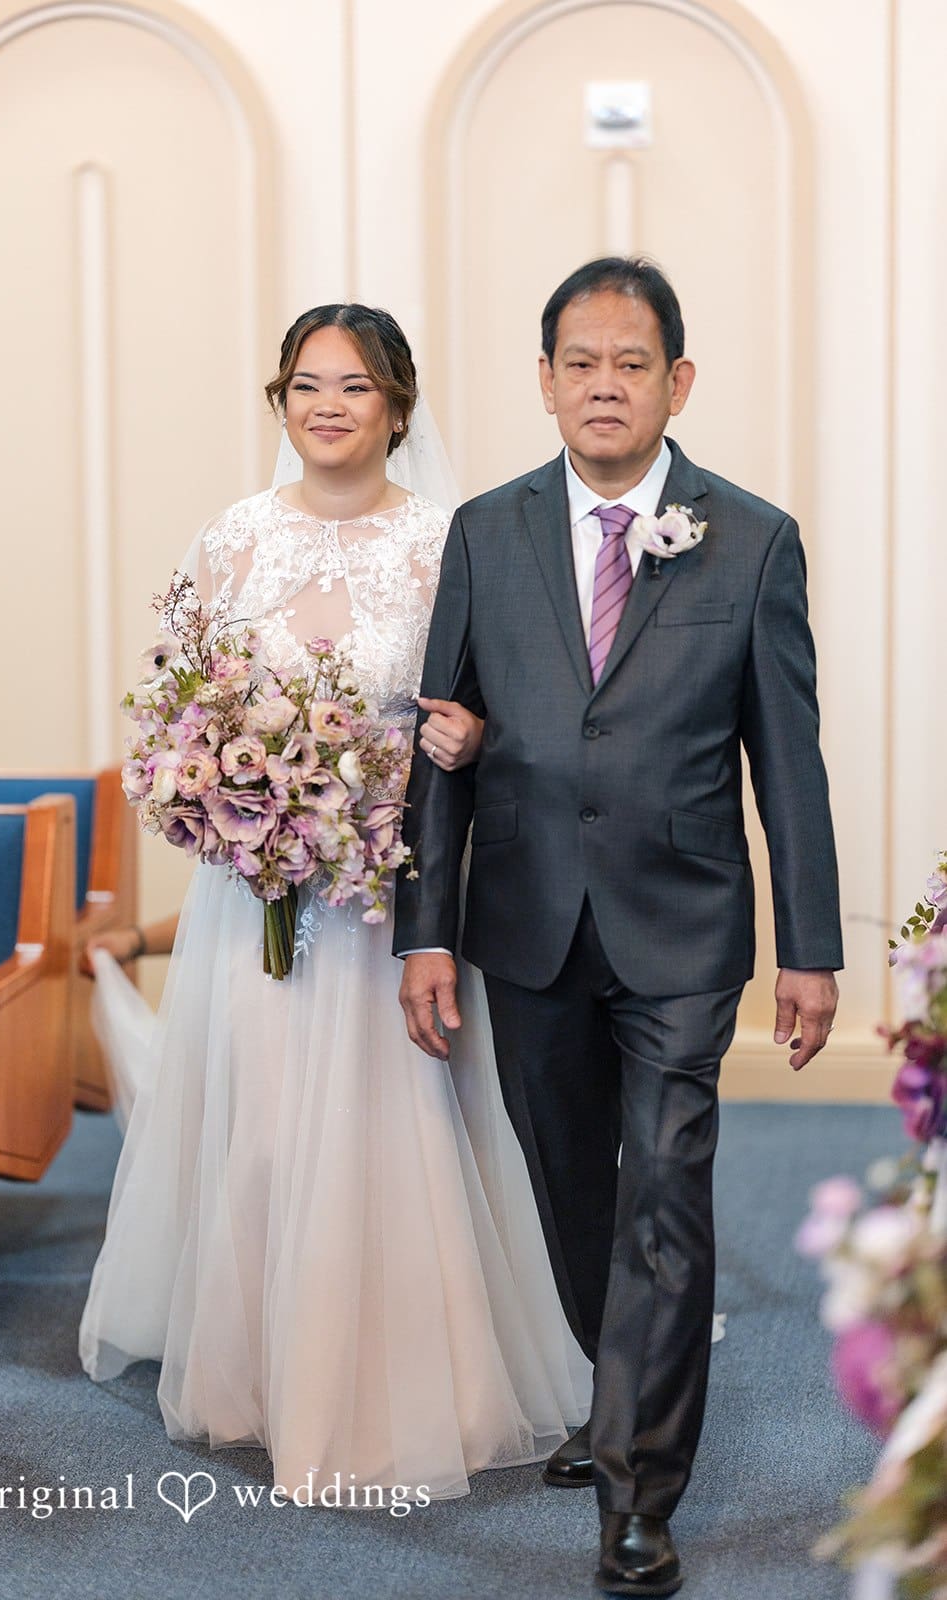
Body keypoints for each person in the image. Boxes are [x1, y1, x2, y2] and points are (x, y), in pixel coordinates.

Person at [79, 303, 593, 1502]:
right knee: (261, 1123)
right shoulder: (232, 539)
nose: (326, 405)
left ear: (397, 408)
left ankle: (396, 1381)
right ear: (280, 402)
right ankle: (259, 1372)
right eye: (305, 384)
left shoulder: (446, 543)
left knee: (389, 1127)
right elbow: (185, 708)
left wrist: (468, 741)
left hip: (386, 892)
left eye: (355, 386)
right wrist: (210, 786)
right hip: (255, 893)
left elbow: (499, 709)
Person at [395, 258, 842, 1594]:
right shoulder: (484, 532)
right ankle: (619, 1385)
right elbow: (439, 742)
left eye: (629, 363)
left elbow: (788, 761)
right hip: (526, 918)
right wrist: (426, 928)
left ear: (675, 382)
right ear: (543, 383)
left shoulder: (749, 537)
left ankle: (638, 1495)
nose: (603, 384)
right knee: (572, 1190)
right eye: (578, 363)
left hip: (682, 925)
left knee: (663, 1191)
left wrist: (808, 948)